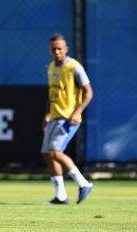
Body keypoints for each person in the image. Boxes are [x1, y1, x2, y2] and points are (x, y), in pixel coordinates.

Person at [41, 33, 94, 205]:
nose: (56, 52)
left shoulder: (74, 67)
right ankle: (61, 196)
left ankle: (83, 183)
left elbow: (89, 92)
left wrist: (77, 112)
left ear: (66, 49)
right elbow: (52, 94)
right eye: (53, 49)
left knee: (55, 151)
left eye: (59, 49)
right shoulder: (51, 67)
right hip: (55, 116)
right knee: (48, 155)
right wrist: (48, 114)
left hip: (68, 118)